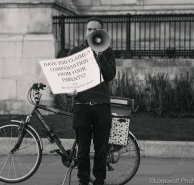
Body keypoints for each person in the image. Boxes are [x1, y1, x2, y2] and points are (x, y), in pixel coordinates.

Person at [67, 17, 116, 185]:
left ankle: (99, 181)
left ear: (101, 32)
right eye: (89, 29)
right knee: (83, 151)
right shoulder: (75, 51)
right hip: (82, 107)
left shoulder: (107, 51)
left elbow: (110, 75)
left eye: (95, 29)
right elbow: (68, 78)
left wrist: (100, 56)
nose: (92, 32)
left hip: (101, 106)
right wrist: (68, 91)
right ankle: (83, 180)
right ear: (85, 31)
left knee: (101, 150)